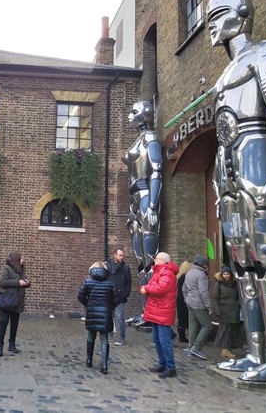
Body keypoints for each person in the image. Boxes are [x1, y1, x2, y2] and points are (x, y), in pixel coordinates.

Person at [207, 0, 266, 382]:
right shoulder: (223, 76)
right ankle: (255, 352)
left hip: (257, 163)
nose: (211, 23)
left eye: (218, 13)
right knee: (243, 270)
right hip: (228, 173)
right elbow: (220, 136)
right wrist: (215, 186)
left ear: (241, 14)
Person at [122, 101, 162, 322]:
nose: (130, 116)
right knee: (139, 259)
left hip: (146, 196)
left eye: (134, 111)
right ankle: (145, 312)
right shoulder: (138, 140)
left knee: (151, 257)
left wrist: (154, 205)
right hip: (134, 200)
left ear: (145, 115)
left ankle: (152, 313)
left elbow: (156, 171)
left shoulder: (151, 139)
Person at [139, 252, 178, 379]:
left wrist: (147, 289)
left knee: (164, 341)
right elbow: (152, 285)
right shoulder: (158, 272)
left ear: (163, 261)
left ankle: (170, 367)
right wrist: (145, 288)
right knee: (157, 340)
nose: (154, 260)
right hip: (157, 311)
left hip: (163, 311)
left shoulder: (167, 273)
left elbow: (160, 288)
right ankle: (163, 363)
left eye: (156, 259)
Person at [77, 261, 118, 374]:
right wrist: (109, 307)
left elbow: (80, 296)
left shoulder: (87, 282)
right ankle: (104, 364)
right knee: (104, 338)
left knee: (91, 335)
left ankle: (89, 359)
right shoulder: (110, 284)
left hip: (91, 312)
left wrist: (88, 305)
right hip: (105, 313)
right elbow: (116, 299)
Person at [0, 252, 29, 357]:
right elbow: (3, 282)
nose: (23, 260)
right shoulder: (6, 269)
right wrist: (18, 282)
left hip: (17, 301)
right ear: (16, 259)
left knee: (14, 324)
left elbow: (23, 282)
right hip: (7, 300)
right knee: (4, 322)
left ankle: (12, 345)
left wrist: (27, 283)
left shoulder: (21, 269)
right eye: (21, 258)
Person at [182, 255, 213, 360]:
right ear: (204, 265)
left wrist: (186, 299)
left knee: (193, 325)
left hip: (190, 302)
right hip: (199, 303)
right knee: (207, 325)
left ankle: (190, 346)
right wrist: (209, 306)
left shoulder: (189, 272)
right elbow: (203, 292)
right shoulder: (201, 275)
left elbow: (184, 288)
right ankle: (196, 347)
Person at [213, 266, 241, 360]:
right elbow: (215, 298)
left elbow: (238, 297)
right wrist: (217, 311)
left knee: (233, 329)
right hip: (224, 310)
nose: (226, 276)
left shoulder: (235, 284)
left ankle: (229, 348)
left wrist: (239, 305)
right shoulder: (219, 285)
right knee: (225, 330)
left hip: (234, 310)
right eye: (224, 274)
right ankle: (225, 349)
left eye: (227, 274)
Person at [106, 249, 131, 345]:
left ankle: (121, 338)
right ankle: (109, 335)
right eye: (120, 255)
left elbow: (129, 282)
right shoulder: (108, 266)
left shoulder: (125, 267)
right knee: (109, 316)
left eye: (123, 256)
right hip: (109, 294)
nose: (122, 257)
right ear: (114, 255)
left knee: (120, 316)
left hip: (120, 295)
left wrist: (126, 293)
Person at [175, 260, 193, 343]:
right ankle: (182, 337)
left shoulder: (180, 276)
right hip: (183, 299)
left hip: (179, 298)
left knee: (181, 318)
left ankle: (181, 336)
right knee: (183, 318)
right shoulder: (185, 276)